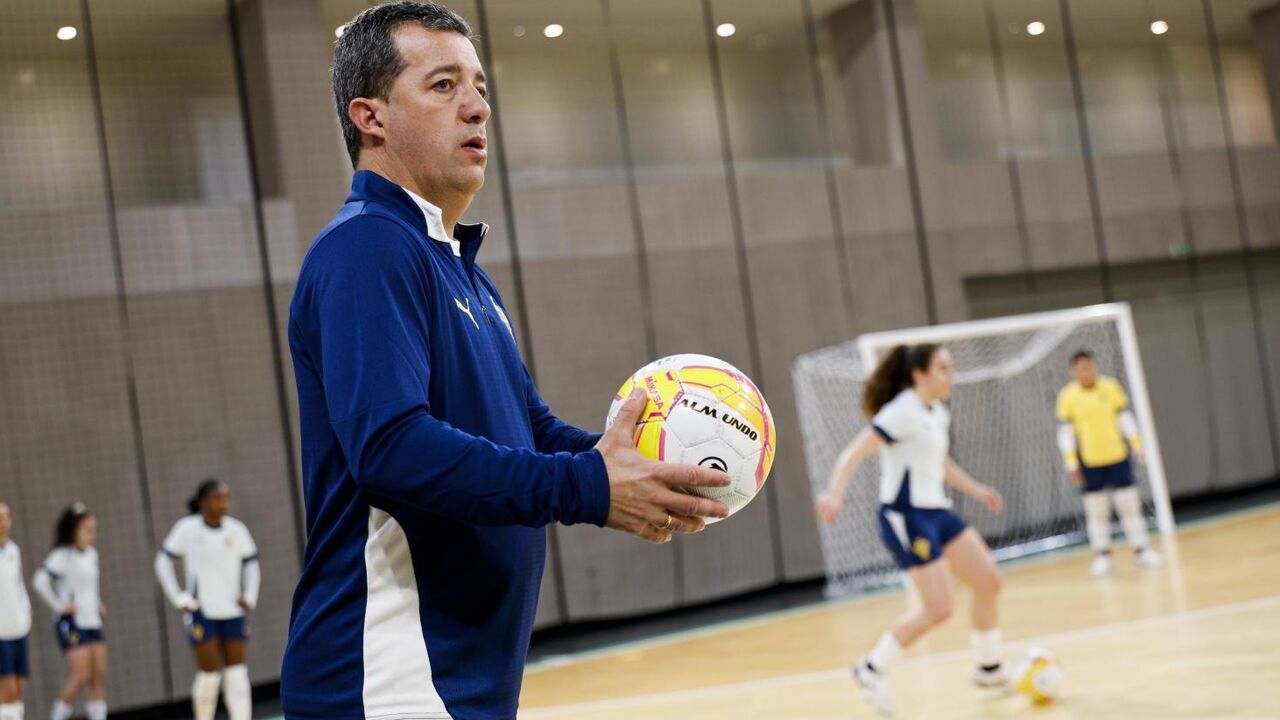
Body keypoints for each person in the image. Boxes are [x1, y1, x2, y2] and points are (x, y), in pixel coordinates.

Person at [281, 4, 730, 719]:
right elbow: (391, 449)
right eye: (443, 86)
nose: (477, 107)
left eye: (480, 87)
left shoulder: (460, 269)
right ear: (370, 117)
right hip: (389, 677)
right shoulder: (367, 247)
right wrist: (590, 486)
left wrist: (637, 462)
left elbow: (530, 429)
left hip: (456, 679)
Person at [816, 344, 1006, 717]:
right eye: (942, 368)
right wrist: (834, 492)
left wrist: (977, 490)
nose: (950, 375)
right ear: (919, 374)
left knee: (988, 581)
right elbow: (854, 452)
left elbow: (941, 462)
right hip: (906, 516)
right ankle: (871, 669)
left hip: (938, 512)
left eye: (951, 367)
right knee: (939, 608)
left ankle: (989, 668)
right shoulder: (902, 409)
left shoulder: (936, 412)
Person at [154, 479, 259, 720]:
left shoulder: (237, 530)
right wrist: (178, 597)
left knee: (237, 674)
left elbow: (252, 563)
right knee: (209, 676)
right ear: (203, 502)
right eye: (217, 498)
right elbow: (163, 561)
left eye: (226, 498)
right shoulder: (187, 529)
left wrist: (249, 595)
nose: (224, 503)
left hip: (233, 611)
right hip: (202, 612)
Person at [1056, 350, 1163, 576]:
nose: (1085, 371)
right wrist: (1071, 461)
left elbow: (1124, 418)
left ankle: (1141, 550)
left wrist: (1138, 446)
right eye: (1080, 368)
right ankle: (1102, 556)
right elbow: (1066, 432)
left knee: (1129, 505)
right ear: (1073, 371)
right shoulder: (1068, 396)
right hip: (1089, 461)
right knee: (1096, 510)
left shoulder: (1111, 387)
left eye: (1088, 366)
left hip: (1117, 456)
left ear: (1095, 365)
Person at [31, 504, 106, 720]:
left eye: (94, 530)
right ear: (74, 530)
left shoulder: (92, 554)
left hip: (93, 621)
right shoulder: (61, 556)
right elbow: (40, 582)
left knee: (98, 676)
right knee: (81, 675)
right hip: (72, 623)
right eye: (87, 530)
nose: (92, 535)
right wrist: (59, 605)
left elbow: (90, 586)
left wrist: (98, 603)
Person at [0, 502, 31, 720]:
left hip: (18, 629)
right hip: (0, 634)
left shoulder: (13, 550)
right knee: (8, 692)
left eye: (6, 516)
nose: (3, 522)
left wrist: (26, 612)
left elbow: (19, 585)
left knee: (19, 690)